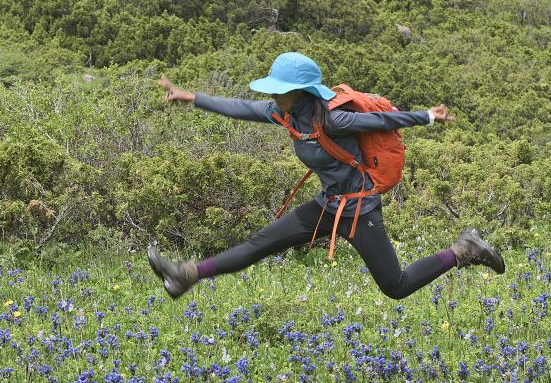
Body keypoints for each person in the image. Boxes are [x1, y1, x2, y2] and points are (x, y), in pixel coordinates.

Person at [147, 51, 504, 300]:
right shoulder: (283, 113)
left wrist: (425, 116)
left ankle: (463, 249)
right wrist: (191, 97)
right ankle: (186, 275)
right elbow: (241, 107)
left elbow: (380, 120)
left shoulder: (333, 120)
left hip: (359, 210)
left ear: (299, 93)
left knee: (396, 286)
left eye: (278, 88)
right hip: (326, 205)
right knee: (260, 244)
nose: (271, 93)